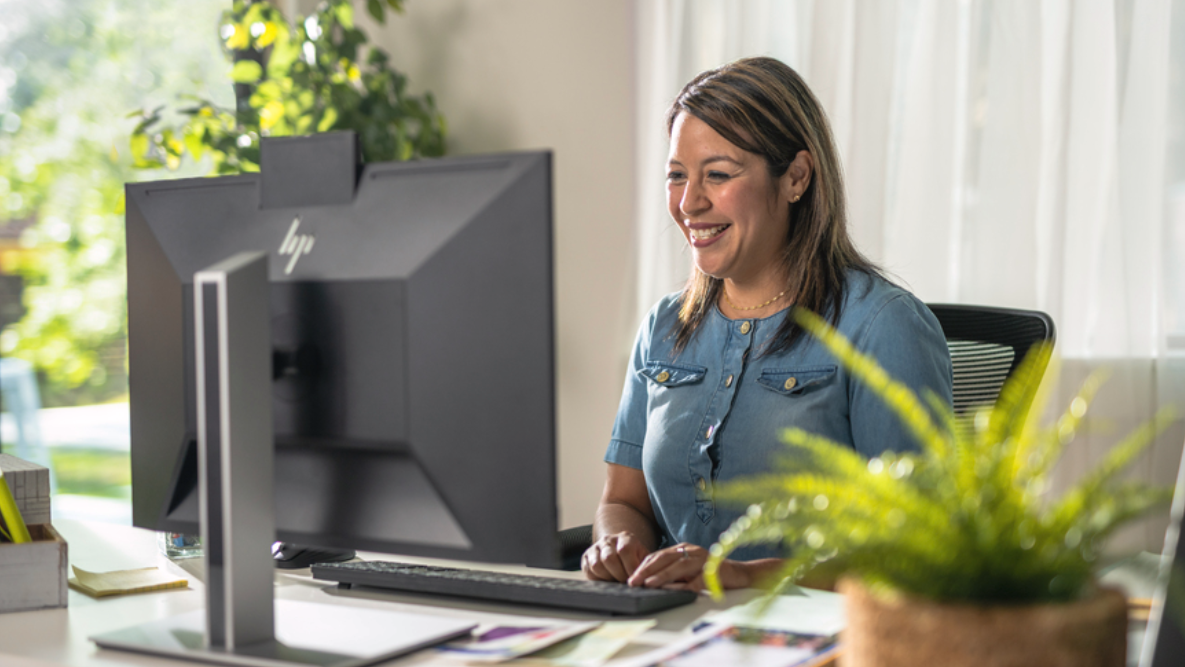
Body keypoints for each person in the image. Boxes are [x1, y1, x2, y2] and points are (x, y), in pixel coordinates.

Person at [581, 56, 953, 591]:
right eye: (677, 176)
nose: (689, 203)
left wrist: (743, 577)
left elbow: (915, 547)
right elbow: (622, 500)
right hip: (676, 632)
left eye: (718, 175)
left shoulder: (882, 327)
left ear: (796, 177)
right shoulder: (664, 326)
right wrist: (616, 545)